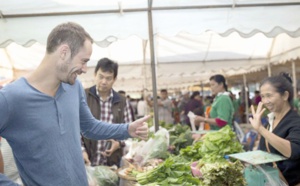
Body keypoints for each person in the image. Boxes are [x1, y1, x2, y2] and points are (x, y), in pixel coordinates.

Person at [0, 22, 150, 186]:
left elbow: (89, 127)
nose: (85, 69)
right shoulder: (10, 98)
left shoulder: (74, 87)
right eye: (83, 61)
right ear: (64, 52)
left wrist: (127, 129)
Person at [249, 73, 300, 186]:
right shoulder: (271, 120)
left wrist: (261, 129)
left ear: (285, 96)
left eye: (269, 95)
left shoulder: (296, 121)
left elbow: (294, 151)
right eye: (263, 96)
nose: (265, 101)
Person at [81, 58, 133, 167]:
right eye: (101, 77)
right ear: (95, 75)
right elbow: (74, 128)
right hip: (87, 163)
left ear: (114, 79)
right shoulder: (83, 97)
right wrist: (81, 150)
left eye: (108, 78)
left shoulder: (123, 102)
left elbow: (129, 131)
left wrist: (119, 144)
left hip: (113, 165)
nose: (104, 82)